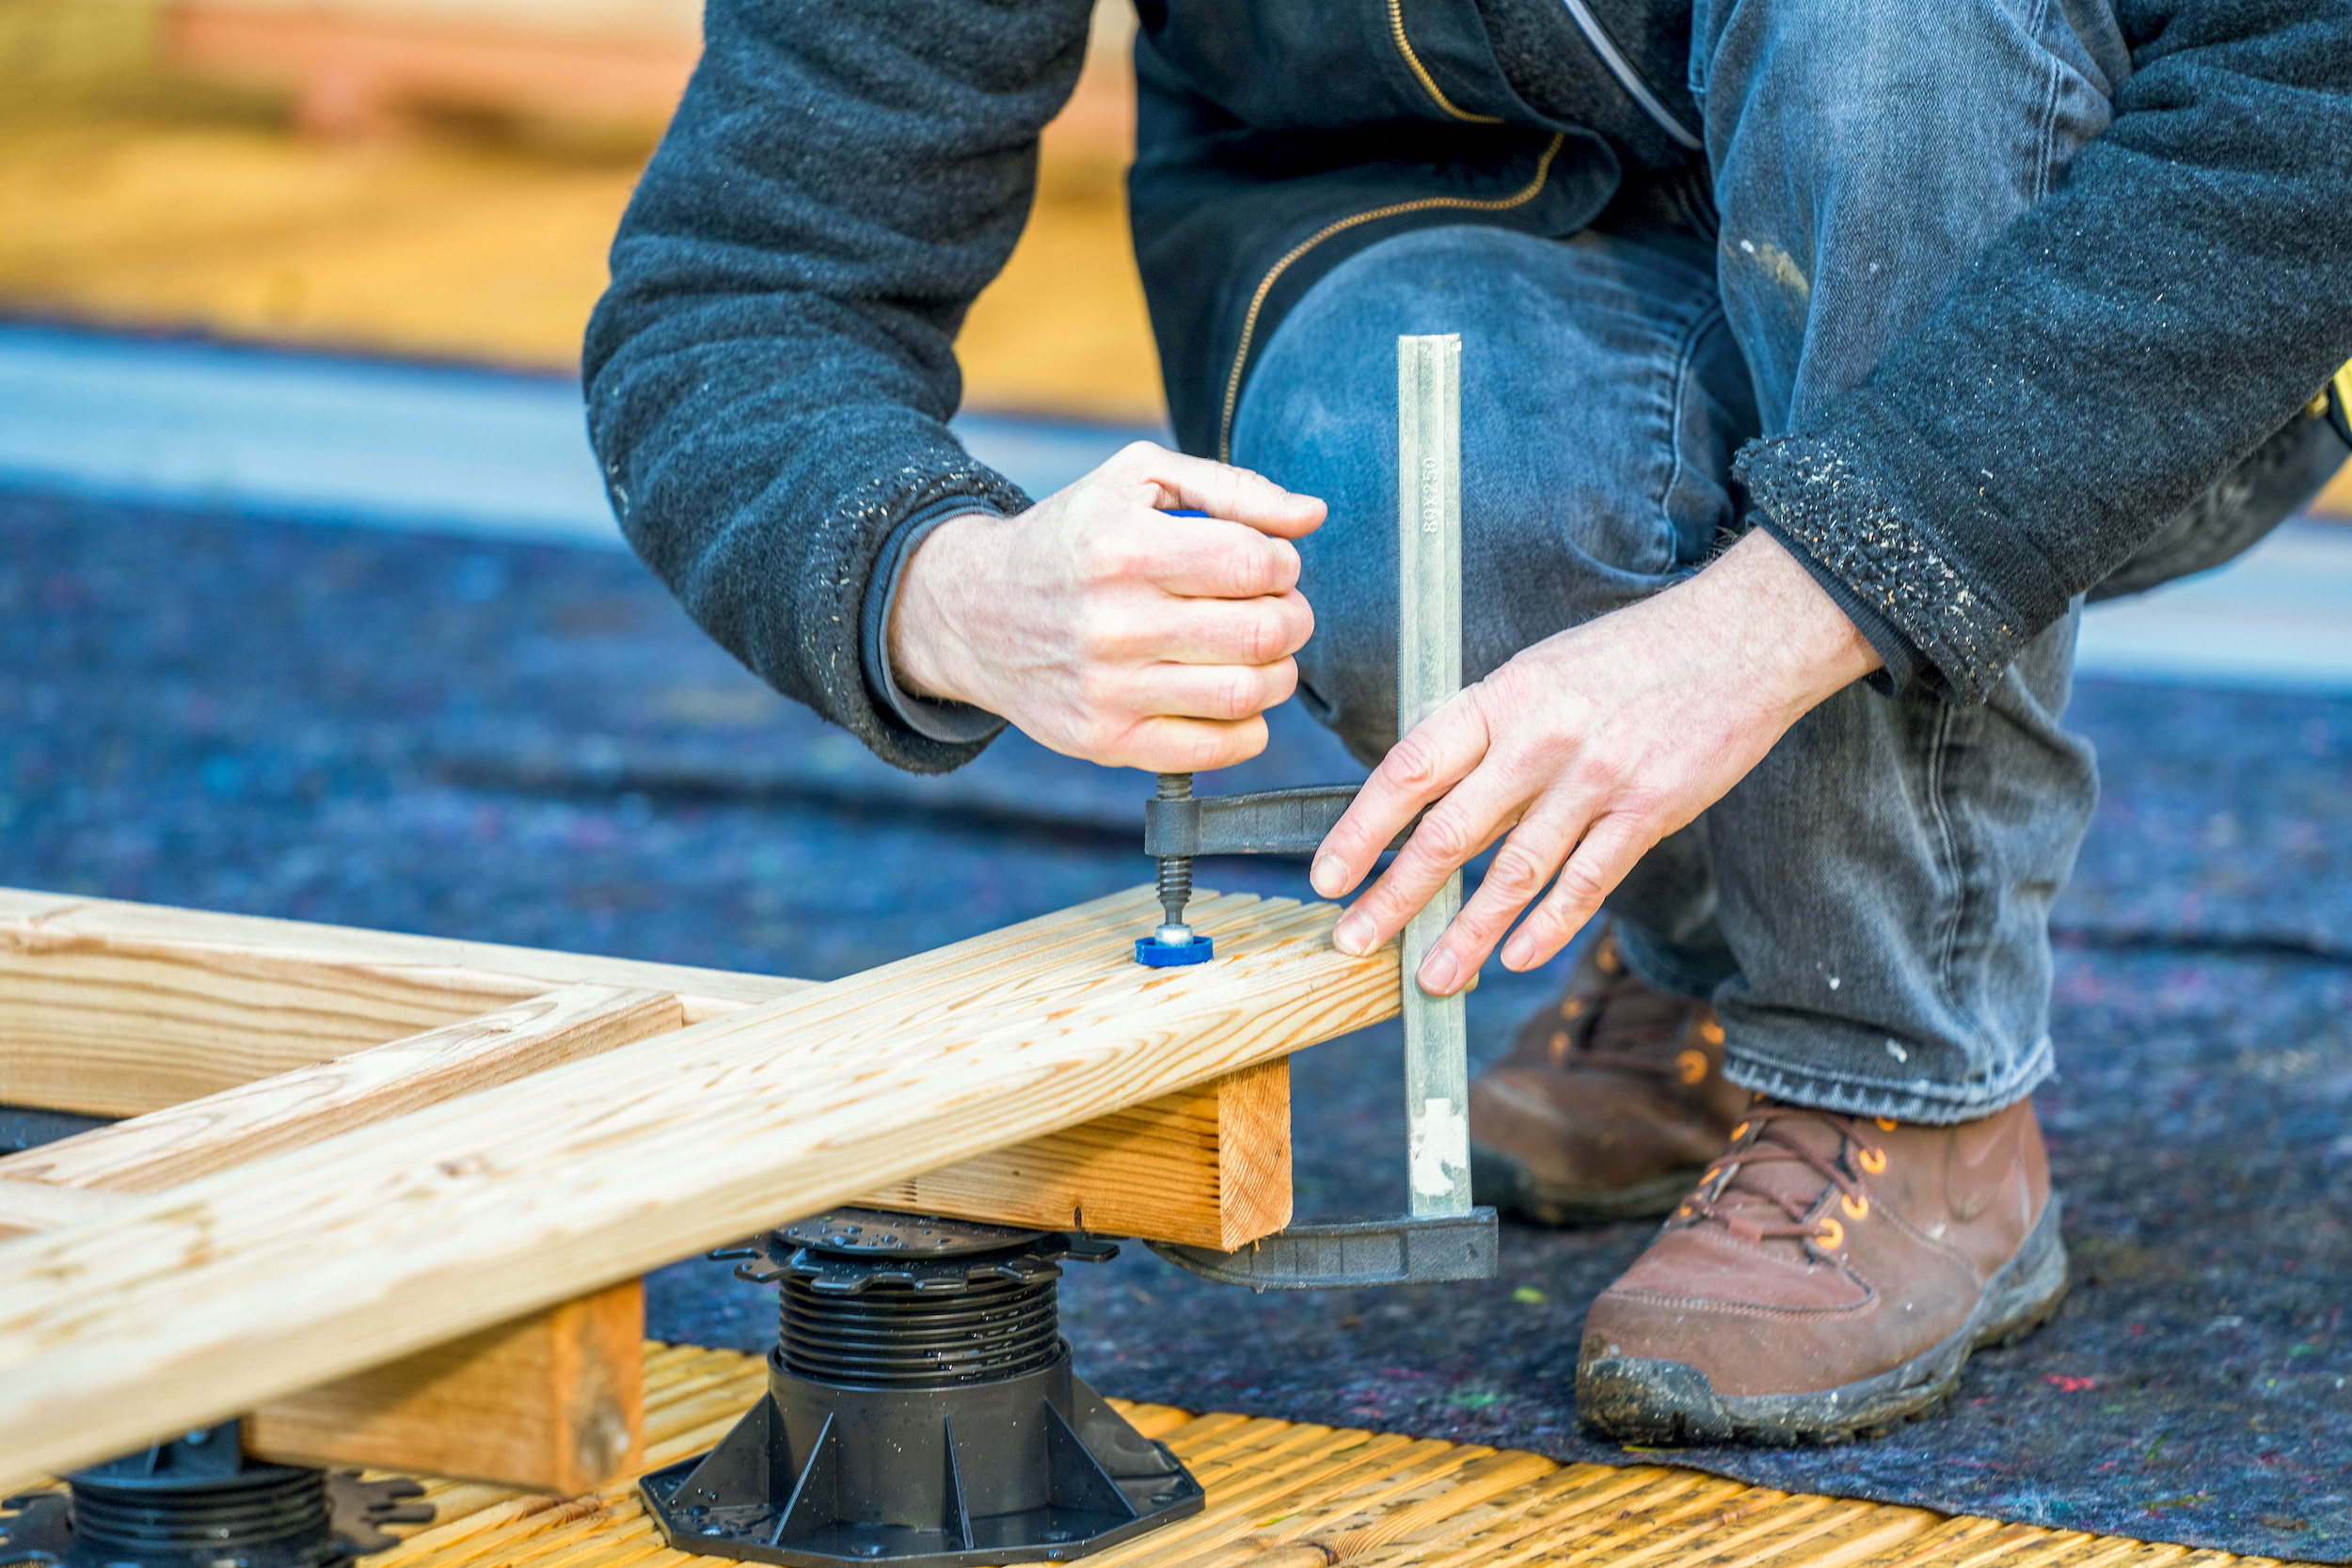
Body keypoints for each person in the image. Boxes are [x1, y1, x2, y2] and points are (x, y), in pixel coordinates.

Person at [585, 0, 2352, 1444]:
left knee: (1882, 32)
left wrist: (1758, 626)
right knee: (1392, 510)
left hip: (2079, 263)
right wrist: (952, 590)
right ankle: (1705, 946)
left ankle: (1903, 1078)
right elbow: (739, 290)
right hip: (1468, 234)